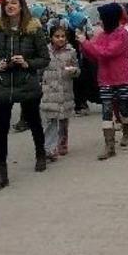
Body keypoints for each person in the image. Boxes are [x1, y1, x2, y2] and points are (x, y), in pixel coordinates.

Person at [0, 0, 50, 192]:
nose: (10, 6)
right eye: (6, 3)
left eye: (14, 3)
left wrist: (27, 63)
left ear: (21, 6)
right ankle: (1, 172)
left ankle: (40, 153)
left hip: (26, 81)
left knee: (34, 121)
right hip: (3, 82)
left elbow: (44, 58)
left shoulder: (33, 29)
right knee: (0, 129)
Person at [79, 3, 128, 160]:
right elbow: (94, 55)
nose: (100, 22)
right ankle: (109, 144)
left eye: (102, 19)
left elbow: (106, 52)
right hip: (105, 79)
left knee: (124, 107)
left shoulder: (122, 34)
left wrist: (86, 43)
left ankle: (127, 130)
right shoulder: (101, 36)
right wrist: (84, 45)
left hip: (122, 78)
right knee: (106, 110)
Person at [40, 25, 80, 161]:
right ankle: (49, 148)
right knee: (51, 120)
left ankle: (62, 143)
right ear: (51, 38)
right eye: (57, 36)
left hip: (65, 91)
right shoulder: (45, 52)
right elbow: (39, 70)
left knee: (63, 120)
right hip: (49, 91)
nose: (60, 39)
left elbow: (77, 69)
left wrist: (74, 71)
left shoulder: (71, 51)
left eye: (63, 36)